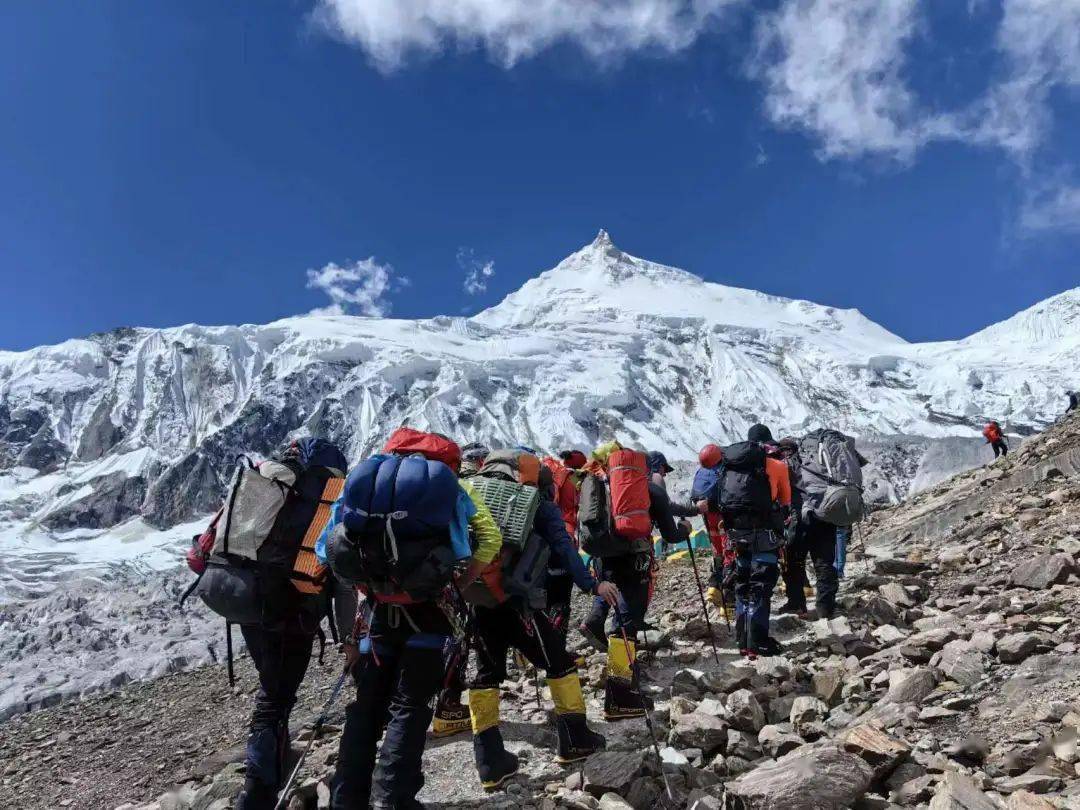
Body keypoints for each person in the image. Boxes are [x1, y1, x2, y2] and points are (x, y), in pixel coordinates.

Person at [324, 431, 504, 810]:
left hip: (377, 609)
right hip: (430, 609)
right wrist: (458, 582)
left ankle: (346, 798)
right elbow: (489, 539)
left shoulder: (367, 484)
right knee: (410, 704)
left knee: (368, 703)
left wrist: (369, 586)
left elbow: (328, 548)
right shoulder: (448, 486)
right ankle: (394, 799)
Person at [463, 450, 620, 789]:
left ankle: (489, 762)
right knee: (558, 661)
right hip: (520, 605)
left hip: (478, 599)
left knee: (487, 674)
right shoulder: (534, 502)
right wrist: (592, 583)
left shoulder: (471, 492)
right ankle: (574, 737)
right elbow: (564, 548)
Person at [234, 439, 356, 810]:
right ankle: (255, 794)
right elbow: (341, 577)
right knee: (273, 698)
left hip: (248, 601)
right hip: (295, 609)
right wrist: (348, 637)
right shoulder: (332, 496)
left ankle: (275, 766)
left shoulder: (267, 481)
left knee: (274, 686)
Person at [576, 442, 689, 721]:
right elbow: (671, 534)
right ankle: (619, 694)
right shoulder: (650, 490)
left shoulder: (598, 488)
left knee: (618, 615)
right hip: (635, 561)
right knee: (626, 624)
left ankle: (622, 678)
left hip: (605, 559)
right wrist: (685, 528)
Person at [707, 424, 791, 659]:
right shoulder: (777, 466)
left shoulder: (729, 467)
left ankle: (742, 642)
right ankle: (758, 642)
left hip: (737, 535)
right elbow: (785, 500)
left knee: (743, 585)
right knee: (761, 587)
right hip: (765, 535)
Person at [773, 437, 811, 616]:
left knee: (792, 562)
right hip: (819, 514)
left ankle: (797, 603)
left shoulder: (783, 465)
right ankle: (827, 606)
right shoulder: (809, 462)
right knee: (821, 561)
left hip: (795, 516)